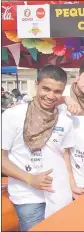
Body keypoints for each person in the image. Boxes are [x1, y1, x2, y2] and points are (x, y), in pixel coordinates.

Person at [1, 65, 74, 231]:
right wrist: (30, 179)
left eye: (57, 92)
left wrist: (72, 185)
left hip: (59, 194)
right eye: (46, 89)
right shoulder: (13, 116)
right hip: (27, 196)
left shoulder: (65, 118)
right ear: (36, 84)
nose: (50, 96)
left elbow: (65, 156)